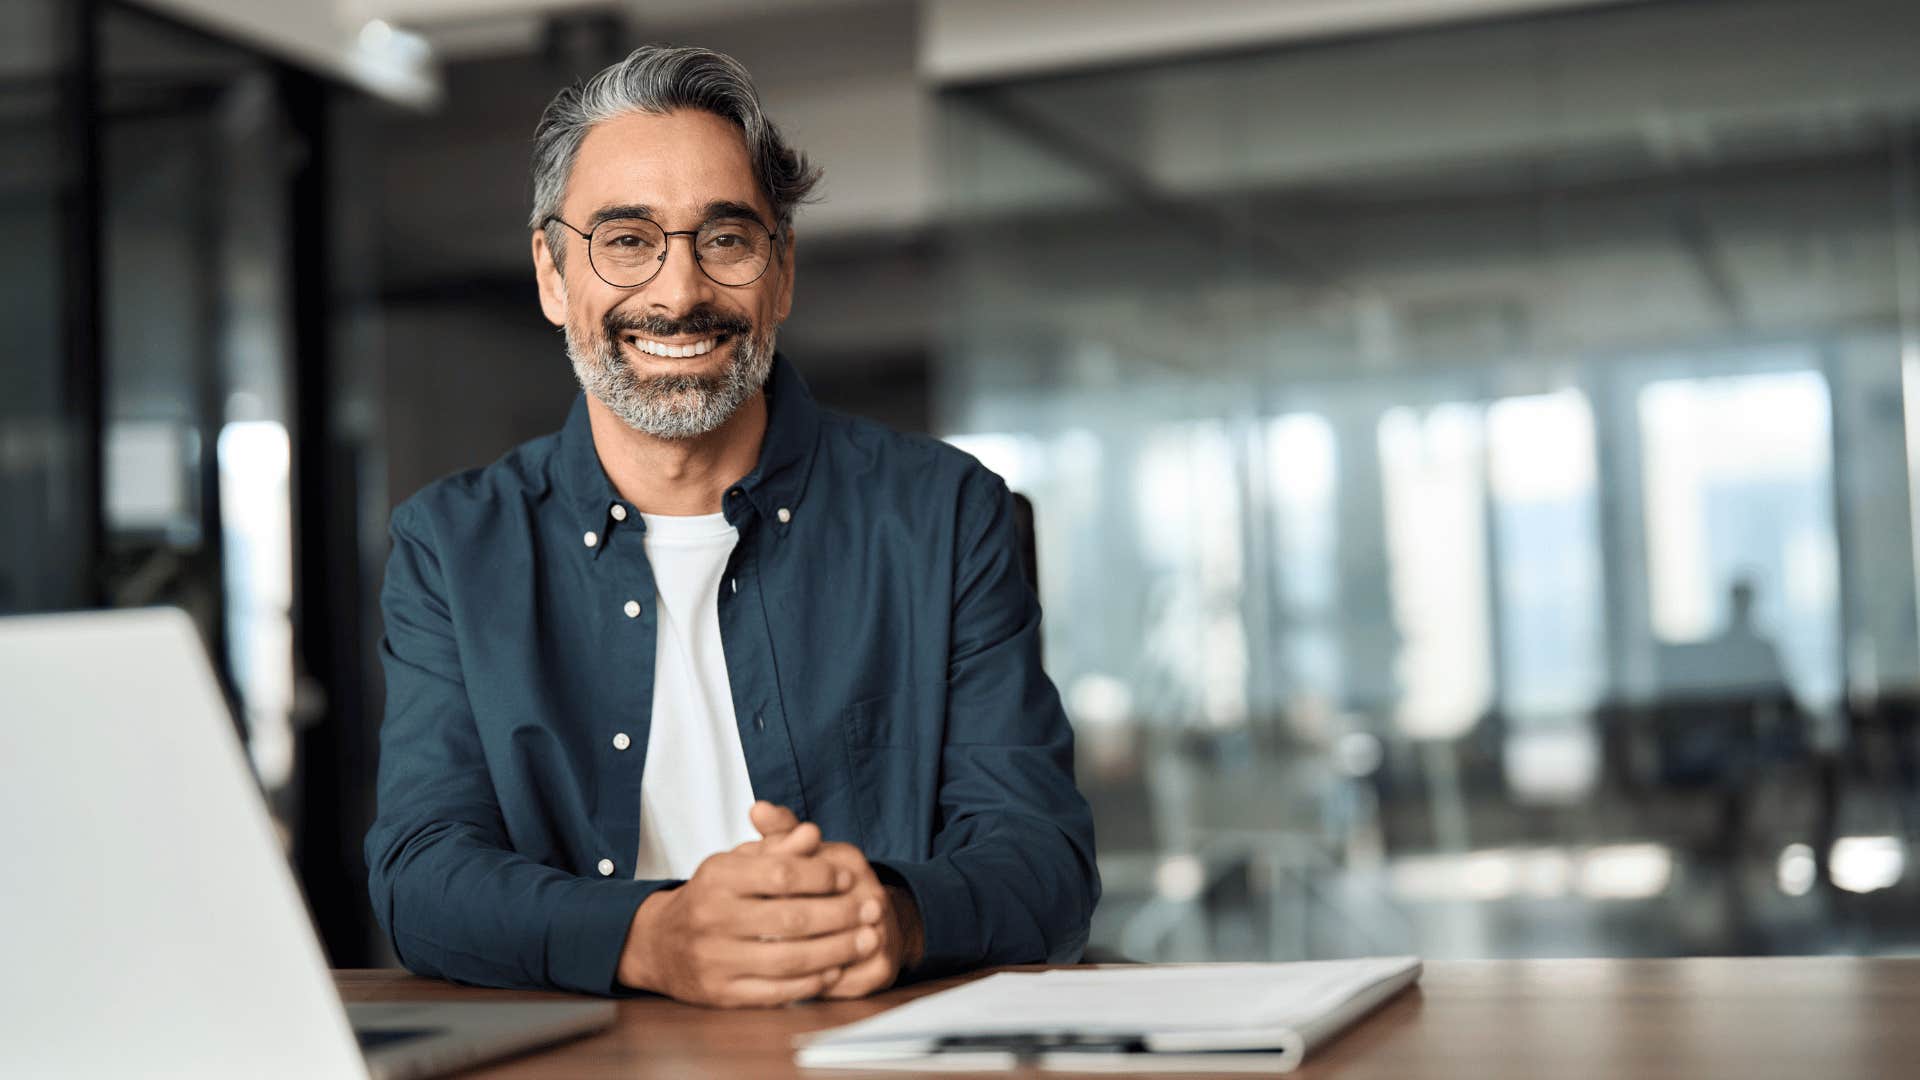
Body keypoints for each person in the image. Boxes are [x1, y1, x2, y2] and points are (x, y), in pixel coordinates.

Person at [363, 44, 1099, 1007]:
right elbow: (420, 874)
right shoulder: (453, 547)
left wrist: (891, 916)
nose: (679, 294)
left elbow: (1043, 859)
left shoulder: (945, 515)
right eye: (627, 240)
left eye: (726, 239)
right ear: (552, 273)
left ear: (781, 271)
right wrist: (649, 939)